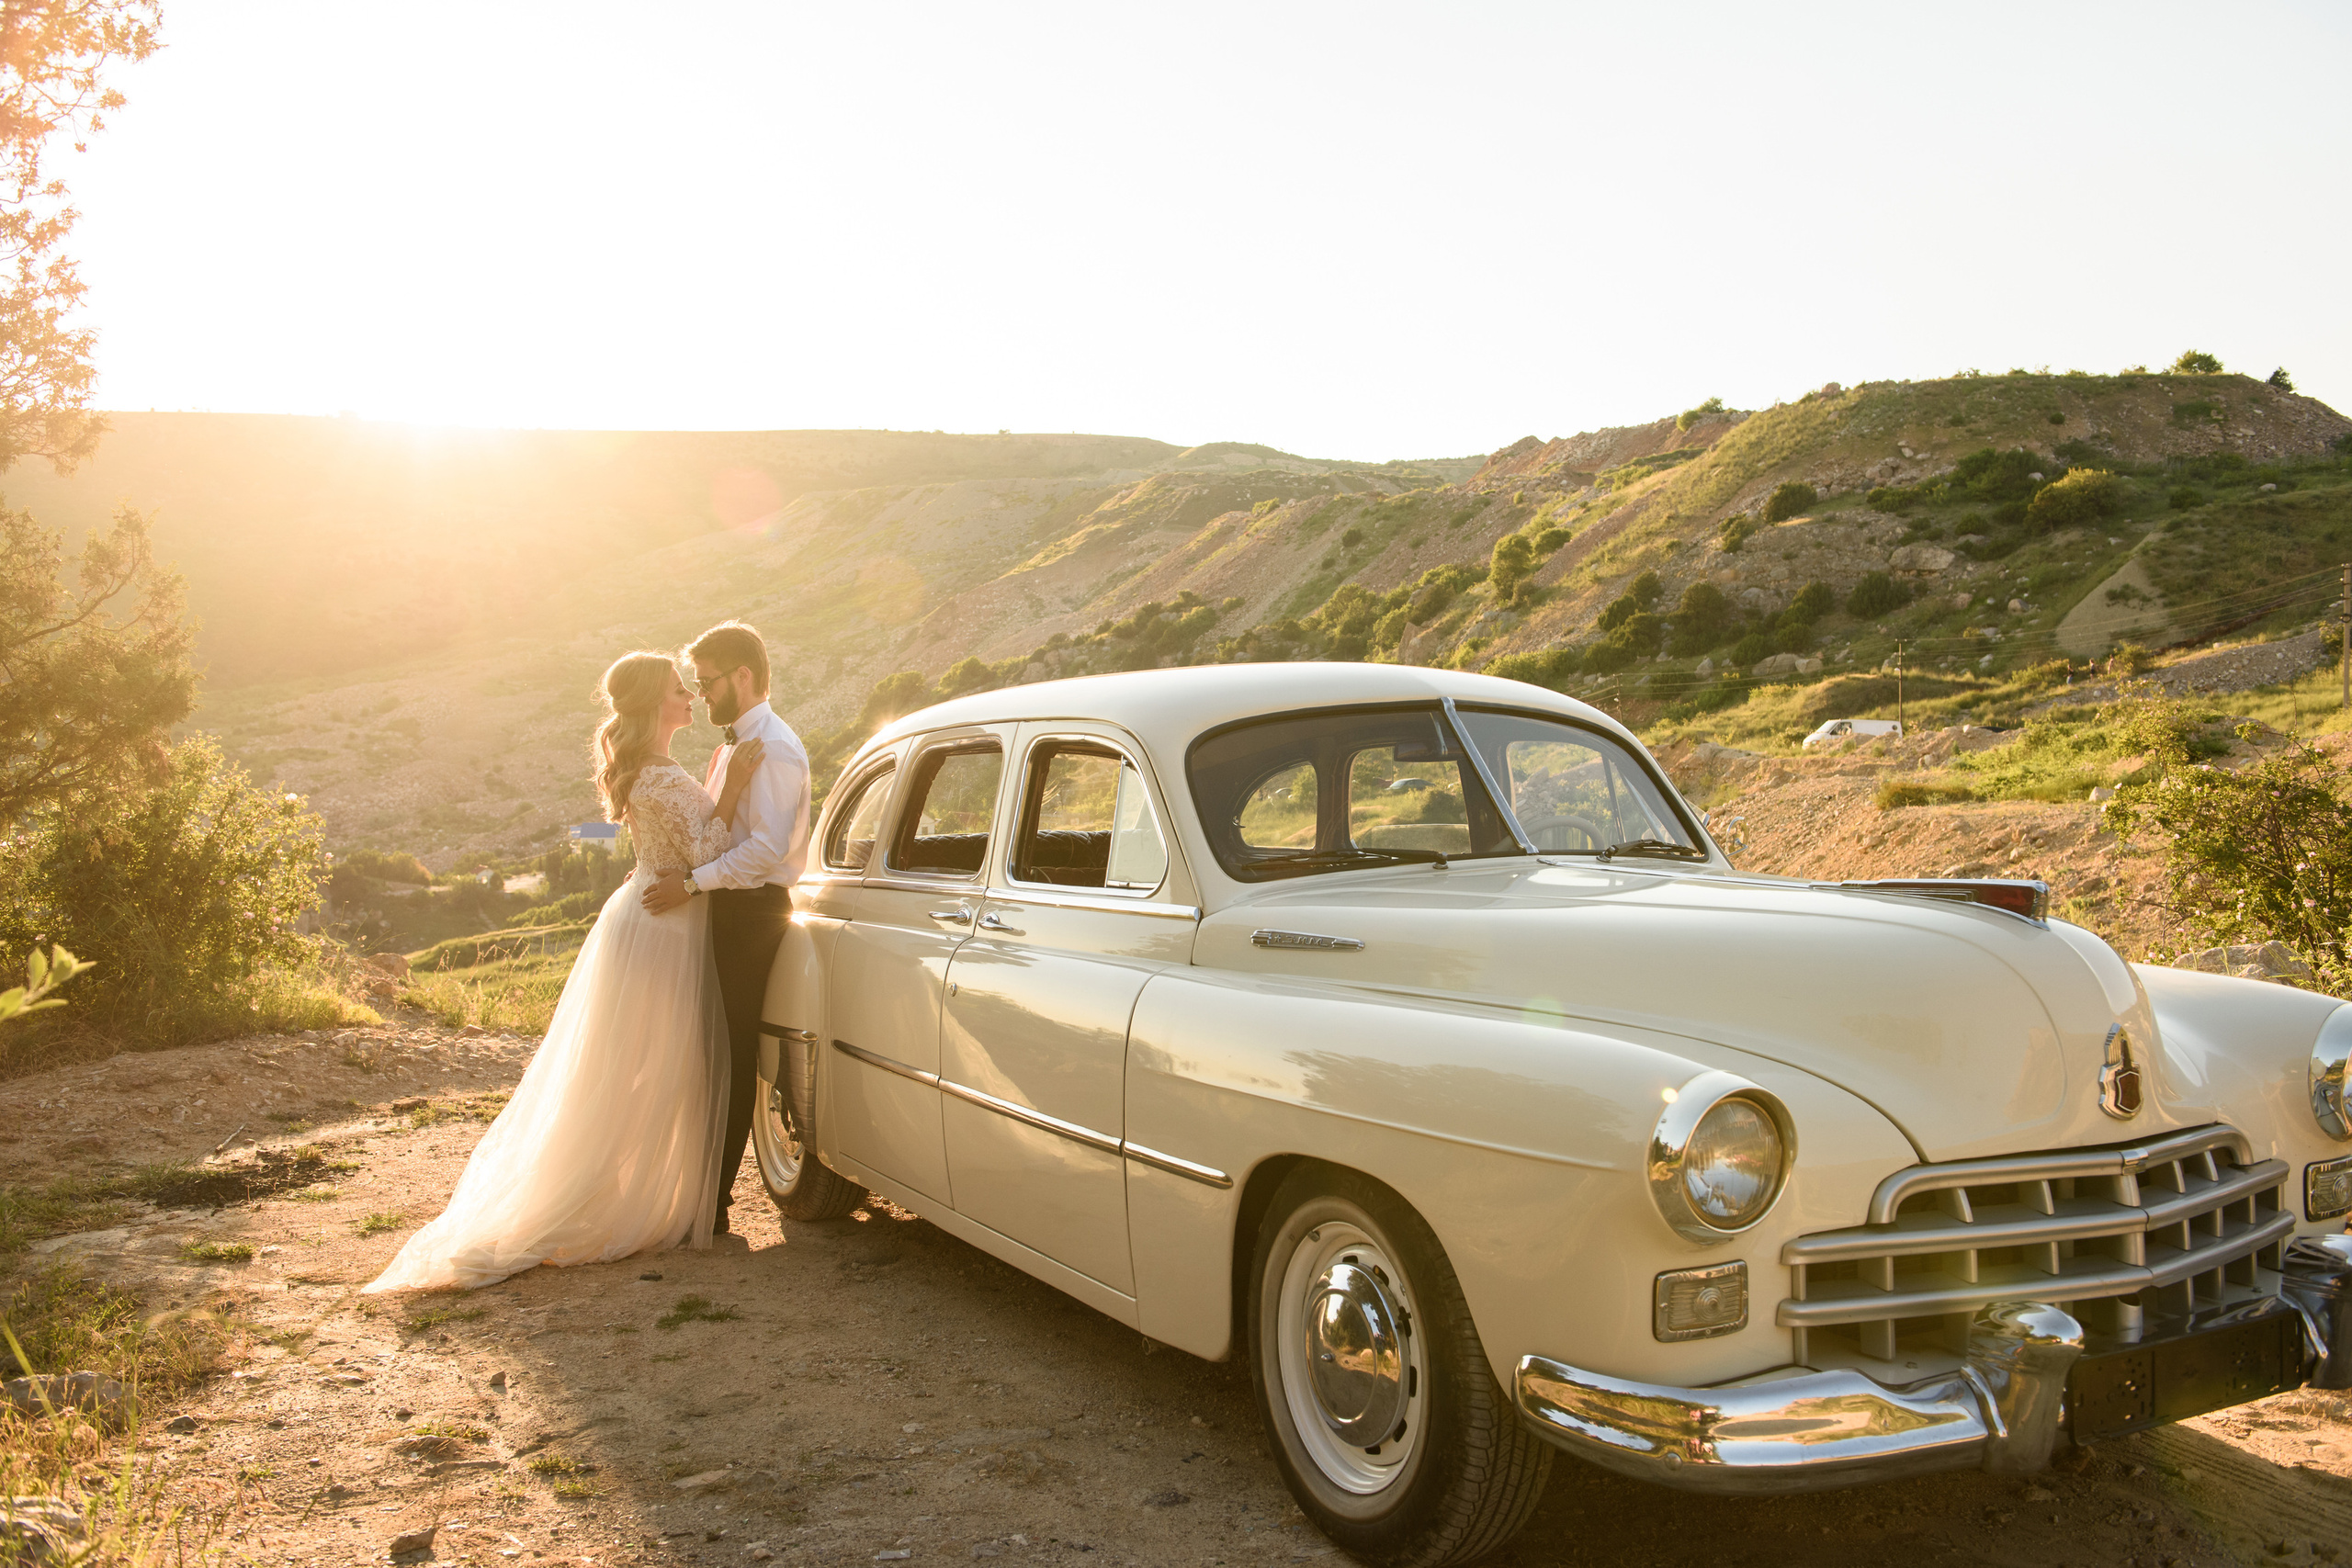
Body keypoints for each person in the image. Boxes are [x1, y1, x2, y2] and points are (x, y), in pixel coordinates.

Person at [363, 652, 766, 1292]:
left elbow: (691, 843)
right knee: (650, 1066)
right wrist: (737, 790)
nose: (688, 693)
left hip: (655, 915)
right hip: (663, 927)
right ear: (651, 704)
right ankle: (608, 1195)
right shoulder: (657, 775)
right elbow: (711, 849)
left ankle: (642, 1188)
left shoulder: (655, 768)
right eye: (676, 687)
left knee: (639, 1066)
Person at [639, 620, 811, 1235]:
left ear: (743, 675)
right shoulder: (735, 746)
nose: (702, 693)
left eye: (708, 681)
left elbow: (765, 850)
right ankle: (701, 1196)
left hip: (753, 911)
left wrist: (691, 884)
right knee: (712, 1050)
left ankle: (709, 1204)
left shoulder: (778, 748)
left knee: (735, 1054)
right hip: (727, 907)